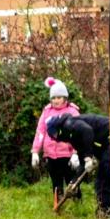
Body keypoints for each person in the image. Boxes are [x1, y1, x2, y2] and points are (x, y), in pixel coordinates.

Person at [46, 112, 110, 218]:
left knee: (103, 179)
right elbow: (83, 163)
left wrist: (88, 156)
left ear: (58, 130)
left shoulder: (70, 124)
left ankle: (105, 212)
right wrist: (73, 182)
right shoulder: (75, 138)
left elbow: (87, 131)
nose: (58, 139)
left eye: (55, 135)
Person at [30, 77, 81, 209]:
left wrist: (76, 153)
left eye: (59, 97)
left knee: (72, 181)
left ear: (65, 98)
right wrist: (35, 151)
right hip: (51, 155)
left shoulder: (72, 112)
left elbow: (80, 133)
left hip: (68, 155)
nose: (56, 100)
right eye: (53, 98)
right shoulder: (47, 112)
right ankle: (58, 204)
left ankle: (76, 205)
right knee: (56, 182)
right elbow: (40, 131)